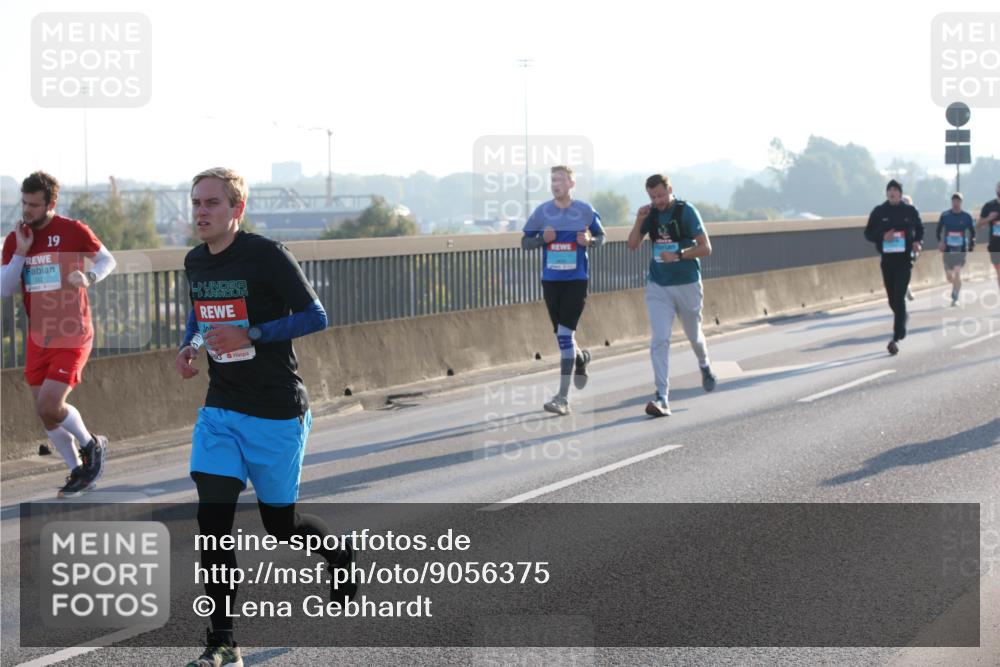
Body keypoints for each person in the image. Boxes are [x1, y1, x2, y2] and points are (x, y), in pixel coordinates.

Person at [175, 168, 353, 667]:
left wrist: (251, 335)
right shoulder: (194, 261)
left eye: (212, 203)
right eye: (196, 203)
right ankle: (222, 641)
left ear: (237, 209)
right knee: (212, 522)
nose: (201, 212)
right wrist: (190, 347)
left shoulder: (268, 255)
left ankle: (338, 556)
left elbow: (316, 316)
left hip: (276, 413)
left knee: (281, 526)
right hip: (221, 411)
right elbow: (199, 313)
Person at [1, 171, 115, 498]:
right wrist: (21, 251)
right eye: (24, 203)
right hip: (40, 336)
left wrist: (90, 277)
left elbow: (108, 260)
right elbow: (5, 288)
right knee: (44, 412)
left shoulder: (72, 230)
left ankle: (91, 444)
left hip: (72, 331)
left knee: (52, 404)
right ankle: (78, 470)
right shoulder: (15, 239)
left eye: (34, 205)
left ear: (51, 203)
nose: (27, 210)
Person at [627, 174, 717, 417]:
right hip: (658, 285)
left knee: (694, 336)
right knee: (660, 339)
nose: (657, 201)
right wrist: (639, 221)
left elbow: (706, 247)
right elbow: (632, 244)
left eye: (660, 195)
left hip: (687, 283)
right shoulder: (651, 214)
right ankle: (662, 397)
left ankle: (704, 364)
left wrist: (678, 254)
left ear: (670, 190)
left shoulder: (686, 212)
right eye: (652, 196)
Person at [521, 165, 605, 416]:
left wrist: (590, 241)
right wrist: (541, 240)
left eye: (560, 179)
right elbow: (525, 242)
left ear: (571, 184)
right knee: (561, 335)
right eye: (552, 180)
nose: (555, 184)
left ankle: (562, 398)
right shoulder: (542, 211)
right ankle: (581, 359)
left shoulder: (585, 211)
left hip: (576, 281)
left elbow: (602, 237)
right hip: (550, 281)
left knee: (566, 336)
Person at [864, 179, 923, 355]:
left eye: (895, 190)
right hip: (887, 261)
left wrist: (918, 242)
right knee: (892, 300)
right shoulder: (879, 211)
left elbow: (920, 228)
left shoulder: (909, 211)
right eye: (889, 189)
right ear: (886, 193)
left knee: (899, 297)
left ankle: (896, 336)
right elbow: (868, 233)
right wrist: (882, 236)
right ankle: (902, 317)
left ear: (900, 193)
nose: (892, 192)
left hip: (904, 260)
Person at [936, 193, 975, 306]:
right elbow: (938, 230)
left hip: (961, 249)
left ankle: (955, 296)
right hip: (948, 249)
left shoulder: (967, 216)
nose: (955, 203)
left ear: (961, 202)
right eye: (953, 201)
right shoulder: (945, 215)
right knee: (949, 276)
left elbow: (972, 231)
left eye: (957, 201)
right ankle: (956, 285)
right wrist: (940, 242)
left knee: (957, 272)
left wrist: (972, 243)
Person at [975, 180, 1000, 290]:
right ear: (996, 190)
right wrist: (989, 218)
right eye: (999, 187)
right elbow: (978, 225)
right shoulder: (989, 206)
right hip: (995, 245)